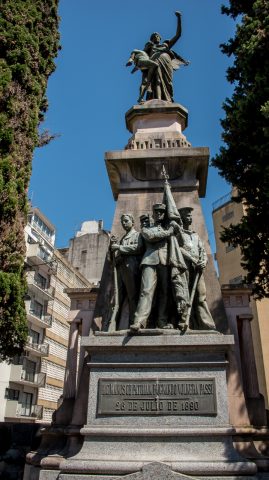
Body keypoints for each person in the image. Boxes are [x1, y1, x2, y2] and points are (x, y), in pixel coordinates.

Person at [130, 203, 182, 331]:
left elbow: (179, 243)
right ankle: (139, 321)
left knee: (165, 293)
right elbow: (150, 237)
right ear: (153, 214)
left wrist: (175, 229)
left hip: (165, 262)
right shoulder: (147, 228)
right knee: (146, 291)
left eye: (162, 212)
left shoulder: (168, 229)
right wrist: (169, 232)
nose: (159, 214)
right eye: (157, 212)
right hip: (149, 261)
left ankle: (162, 321)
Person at [176, 207, 216, 330]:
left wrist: (203, 261)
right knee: (185, 295)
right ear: (182, 219)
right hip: (185, 268)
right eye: (187, 216)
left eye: (190, 216)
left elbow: (202, 251)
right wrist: (193, 259)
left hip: (198, 269)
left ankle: (205, 323)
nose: (190, 218)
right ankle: (185, 322)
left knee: (200, 296)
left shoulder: (195, 235)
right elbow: (178, 249)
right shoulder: (179, 234)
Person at [143, 11, 189, 102]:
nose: (155, 36)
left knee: (168, 84)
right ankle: (158, 100)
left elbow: (178, 35)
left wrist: (179, 18)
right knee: (157, 81)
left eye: (157, 35)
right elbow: (142, 57)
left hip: (167, 65)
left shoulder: (166, 45)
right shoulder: (150, 47)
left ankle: (168, 99)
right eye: (153, 36)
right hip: (155, 64)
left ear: (160, 38)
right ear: (152, 40)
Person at [110, 214, 144, 329]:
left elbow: (138, 248)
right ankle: (113, 325)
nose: (124, 223)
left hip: (132, 269)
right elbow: (115, 257)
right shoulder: (122, 239)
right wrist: (112, 248)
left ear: (132, 222)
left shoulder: (138, 235)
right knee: (118, 299)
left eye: (126, 221)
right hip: (121, 270)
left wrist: (119, 248)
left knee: (133, 298)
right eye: (122, 222)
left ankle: (134, 323)